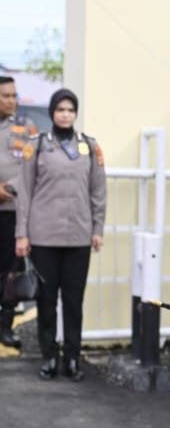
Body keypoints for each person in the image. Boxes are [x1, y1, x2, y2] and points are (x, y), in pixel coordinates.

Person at [15, 88, 105, 381]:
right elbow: (25, 192)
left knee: (74, 302)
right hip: (44, 237)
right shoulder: (38, 145)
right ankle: (49, 356)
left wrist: (97, 229)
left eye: (70, 110)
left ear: (75, 113)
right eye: (60, 109)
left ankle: (73, 358)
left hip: (79, 236)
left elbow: (98, 191)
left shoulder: (89, 146)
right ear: (52, 112)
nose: (65, 115)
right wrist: (22, 234)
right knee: (46, 301)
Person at [0, 75, 35, 349]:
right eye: (6, 96)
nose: (12, 100)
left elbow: (31, 166)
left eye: (14, 95)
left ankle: (5, 326)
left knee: (9, 272)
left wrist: (8, 188)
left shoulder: (25, 128)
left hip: (11, 210)